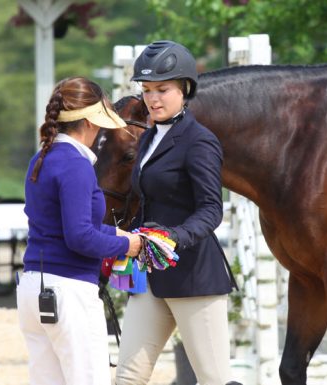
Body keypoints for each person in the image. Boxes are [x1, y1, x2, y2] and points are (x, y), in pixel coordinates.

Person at [115, 40, 240, 385]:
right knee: (127, 378)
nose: (153, 99)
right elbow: (148, 201)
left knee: (213, 379)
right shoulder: (147, 138)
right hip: (150, 278)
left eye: (162, 90)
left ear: (184, 89)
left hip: (194, 279)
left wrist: (172, 238)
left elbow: (211, 209)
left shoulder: (199, 141)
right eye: (147, 90)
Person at [17, 76, 142, 385]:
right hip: (69, 290)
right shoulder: (75, 163)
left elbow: (64, 225)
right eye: (99, 124)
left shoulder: (41, 159)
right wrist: (127, 246)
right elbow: (79, 237)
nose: (100, 132)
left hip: (34, 287)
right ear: (88, 122)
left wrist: (116, 235)